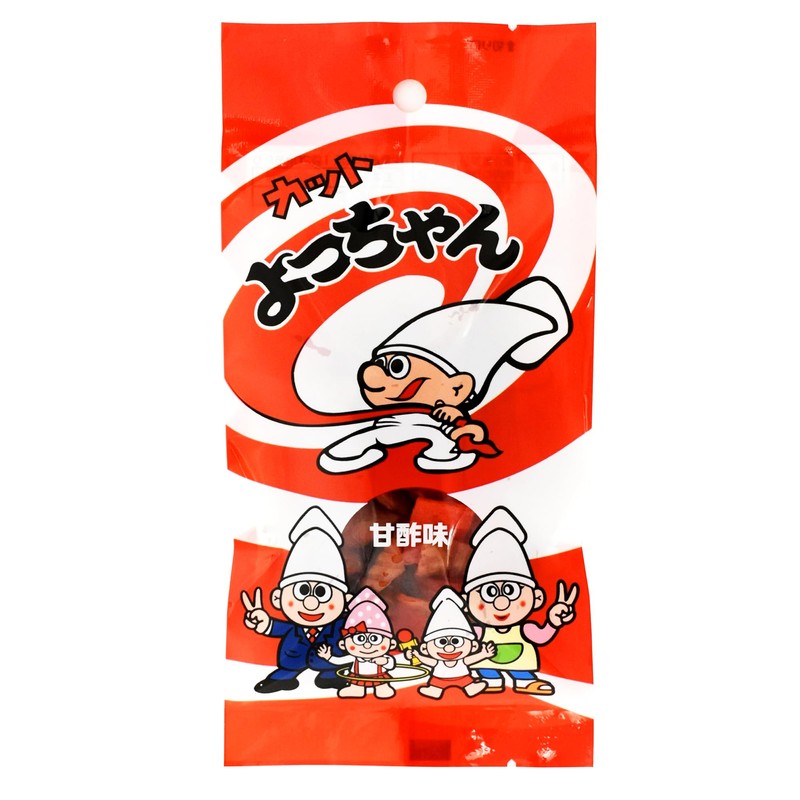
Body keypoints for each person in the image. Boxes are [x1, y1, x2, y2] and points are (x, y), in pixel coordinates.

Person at [317, 276, 571, 474]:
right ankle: (345, 455)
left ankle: (444, 457)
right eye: (381, 364)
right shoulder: (378, 414)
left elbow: (471, 432)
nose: (372, 376)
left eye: (397, 367)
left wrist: (462, 426)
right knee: (364, 439)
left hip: (434, 437)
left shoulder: (445, 414)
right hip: (384, 436)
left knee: (440, 440)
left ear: (457, 388)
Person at [462, 506, 579, 695]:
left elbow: (541, 637)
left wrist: (552, 622)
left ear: (537, 598)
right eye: (489, 592)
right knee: (485, 668)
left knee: (521, 670)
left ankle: (525, 681)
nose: (501, 603)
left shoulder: (525, 629)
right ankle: (490, 680)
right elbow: (465, 639)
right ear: (466, 602)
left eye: (511, 591)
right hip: (486, 665)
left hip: (522, 667)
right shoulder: (478, 631)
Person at [241, 506, 351, 693]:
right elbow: (279, 628)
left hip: (329, 660)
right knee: (288, 669)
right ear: (278, 598)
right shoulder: (295, 626)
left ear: (345, 600)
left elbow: (350, 628)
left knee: (333, 668)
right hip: (292, 658)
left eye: (322, 593)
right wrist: (265, 623)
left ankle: (330, 676)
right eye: (302, 591)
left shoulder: (339, 624)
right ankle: (282, 679)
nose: (311, 603)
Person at [408, 587, 496, 699]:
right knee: (436, 685)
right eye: (441, 642)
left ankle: (470, 687)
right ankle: (435, 690)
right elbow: (429, 661)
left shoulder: (461, 661)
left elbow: (470, 659)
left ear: (473, 646)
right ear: (424, 648)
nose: (449, 648)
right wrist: (418, 656)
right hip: (439, 678)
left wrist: (484, 654)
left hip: (462, 677)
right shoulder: (439, 662)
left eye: (456, 641)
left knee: (467, 682)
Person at [317, 587, 397, 699]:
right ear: (343, 645)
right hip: (357, 677)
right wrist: (328, 657)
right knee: (356, 686)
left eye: (375, 639)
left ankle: (382, 688)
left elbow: (391, 664)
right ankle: (356, 689)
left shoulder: (383, 657)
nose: (367, 645)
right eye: (360, 639)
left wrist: (385, 661)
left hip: (379, 677)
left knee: (382, 688)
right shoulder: (354, 658)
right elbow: (340, 661)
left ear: (392, 644)